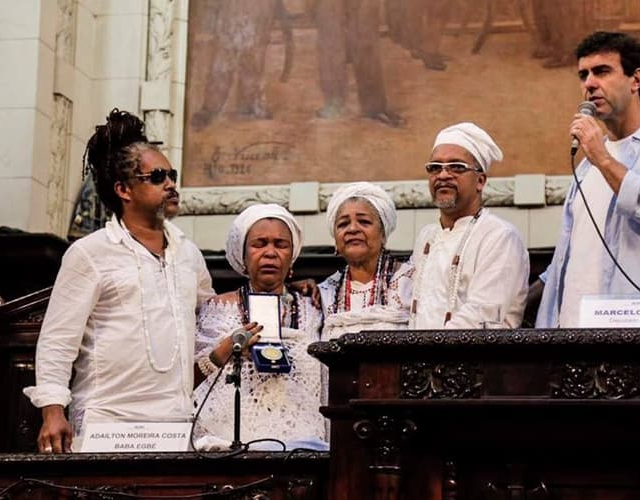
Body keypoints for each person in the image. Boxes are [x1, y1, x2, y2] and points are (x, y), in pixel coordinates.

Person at [23, 109, 213, 453]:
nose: (170, 184)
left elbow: (213, 314)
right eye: (157, 177)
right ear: (124, 189)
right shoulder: (90, 254)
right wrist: (52, 412)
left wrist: (289, 292)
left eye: (171, 174)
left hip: (176, 424)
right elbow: (57, 341)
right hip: (106, 422)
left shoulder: (189, 253)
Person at [534, 31, 640, 328]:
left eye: (601, 71)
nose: (589, 84)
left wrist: (603, 158)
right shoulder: (588, 166)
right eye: (583, 75)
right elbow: (573, 253)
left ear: (635, 80)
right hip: (570, 332)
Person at [193, 204, 326, 451]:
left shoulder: (316, 307)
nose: (270, 253)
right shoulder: (217, 308)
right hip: (231, 447)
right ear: (243, 256)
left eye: (280, 244)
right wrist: (226, 349)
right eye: (259, 243)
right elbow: (189, 381)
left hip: (304, 448)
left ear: (292, 256)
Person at [409, 122, 529, 329]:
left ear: (480, 181)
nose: (443, 175)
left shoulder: (499, 236)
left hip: (476, 358)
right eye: (435, 168)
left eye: (456, 167)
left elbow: (481, 315)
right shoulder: (427, 237)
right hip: (419, 358)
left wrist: (426, 355)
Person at [319, 182, 414, 340]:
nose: (353, 229)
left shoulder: (410, 281)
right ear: (335, 240)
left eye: (364, 222)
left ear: (383, 234)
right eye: (343, 224)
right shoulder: (324, 293)